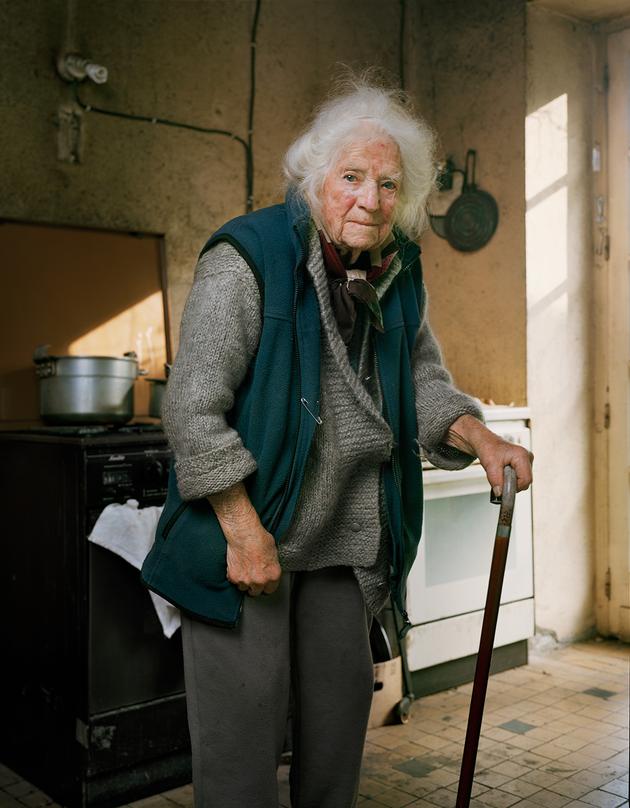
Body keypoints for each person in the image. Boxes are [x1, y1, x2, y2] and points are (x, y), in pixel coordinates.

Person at [148, 78, 533, 808]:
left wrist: (477, 433)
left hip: (343, 544)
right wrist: (242, 529)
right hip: (250, 537)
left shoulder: (399, 268)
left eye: (390, 184)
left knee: (335, 751)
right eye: (351, 177)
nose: (370, 198)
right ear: (314, 180)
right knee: (241, 765)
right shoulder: (247, 259)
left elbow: (417, 375)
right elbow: (193, 408)